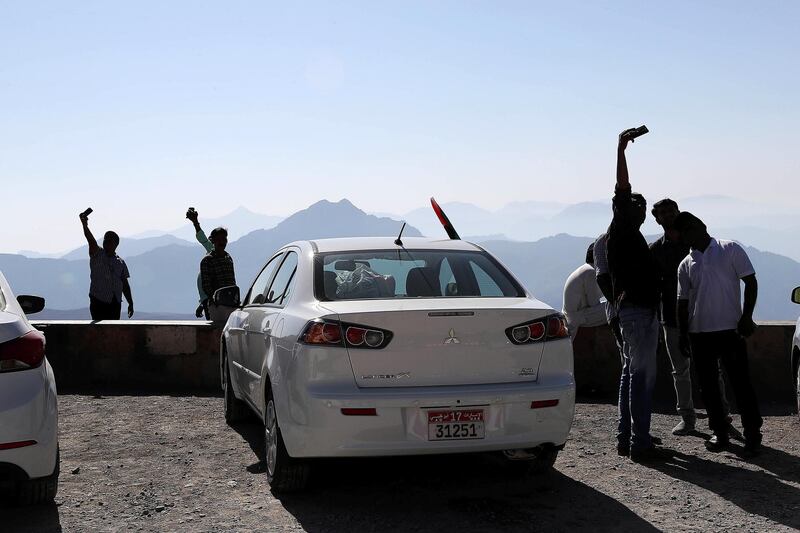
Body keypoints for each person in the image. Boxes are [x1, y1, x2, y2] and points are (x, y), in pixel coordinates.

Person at [675, 211, 763, 456]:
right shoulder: (686, 263)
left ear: (700, 227)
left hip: (730, 330)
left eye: (688, 230)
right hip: (699, 333)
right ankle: (720, 432)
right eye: (683, 233)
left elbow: (751, 281)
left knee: (740, 383)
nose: (686, 236)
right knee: (708, 387)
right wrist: (683, 334)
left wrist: (747, 316)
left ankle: (752, 432)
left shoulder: (730, 249)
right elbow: (682, 302)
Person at [650, 199, 732, 436]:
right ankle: (687, 417)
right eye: (663, 213)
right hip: (671, 318)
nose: (667, 216)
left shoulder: (695, 243)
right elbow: (654, 288)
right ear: (657, 219)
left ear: (678, 212)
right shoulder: (656, 251)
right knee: (680, 371)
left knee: (712, 370)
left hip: (702, 316)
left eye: (671, 211)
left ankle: (722, 415)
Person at [606, 128, 662, 462]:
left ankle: (627, 438)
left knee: (630, 375)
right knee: (641, 379)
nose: (641, 209)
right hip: (639, 314)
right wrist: (621, 149)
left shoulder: (626, 236)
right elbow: (622, 190)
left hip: (632, 312)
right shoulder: (624, 228)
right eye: (636, 205)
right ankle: (639, 442)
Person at [79, 210, 134, 320]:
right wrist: (85, 225)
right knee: (99, 331)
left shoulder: (121, 262)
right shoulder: (97, 254)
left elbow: (125, 284)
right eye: (105, 240)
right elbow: (90, 239)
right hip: (98, 301)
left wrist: (130, 303)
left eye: (109, 241)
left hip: (115, 303)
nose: (105, 242)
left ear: (115, 244)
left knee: (113, 332)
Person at [563, 243, 607, 341]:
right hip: (579, 316)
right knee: (614, 307)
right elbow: (593, 303)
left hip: (575, 315)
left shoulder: (586, 269)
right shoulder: (591, 272)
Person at [200, 227, 236, 323]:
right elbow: (206, 285)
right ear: (213, 241)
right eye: (218, 239)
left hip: (231, 304)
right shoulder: (207, 260)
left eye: (224, 239)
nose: (222, 242)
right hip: (217, 307)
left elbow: (232, 281)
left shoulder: (228, 258)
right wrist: (216, 300)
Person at [186, 208, 214, 319]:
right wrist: (202, 305)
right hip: (208, 301)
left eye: (211, 238)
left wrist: (195, 222)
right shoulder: (212, 255)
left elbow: (202, 239)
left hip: (211, 302)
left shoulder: (212, 251)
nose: (209, 240)